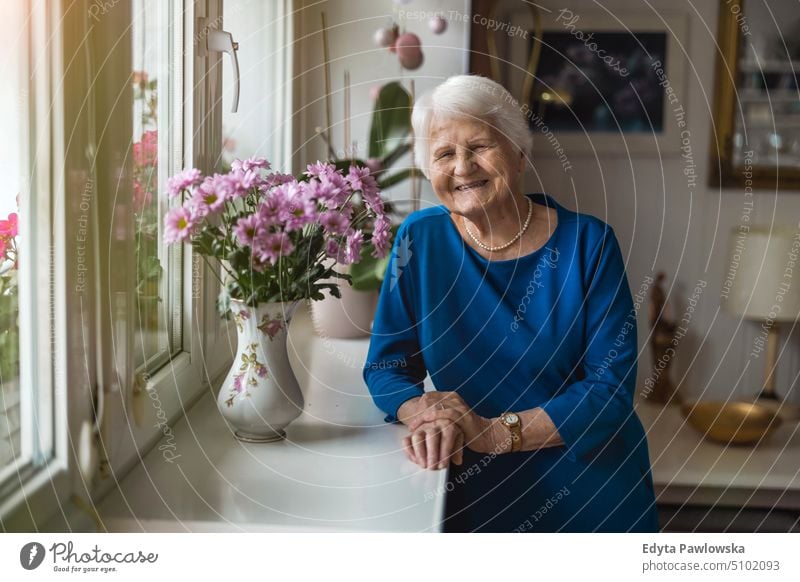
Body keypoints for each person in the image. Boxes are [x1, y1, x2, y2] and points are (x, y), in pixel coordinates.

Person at [362, 74, 659, 532]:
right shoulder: (420, 239)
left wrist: (491, 432)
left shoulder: (588, 244)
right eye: (444, 154)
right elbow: (387, 366)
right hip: (473, 492)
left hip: (589, 490)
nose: (462, 167)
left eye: (479, 146)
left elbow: (609, 392)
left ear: (519, 154)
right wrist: (427, 414)